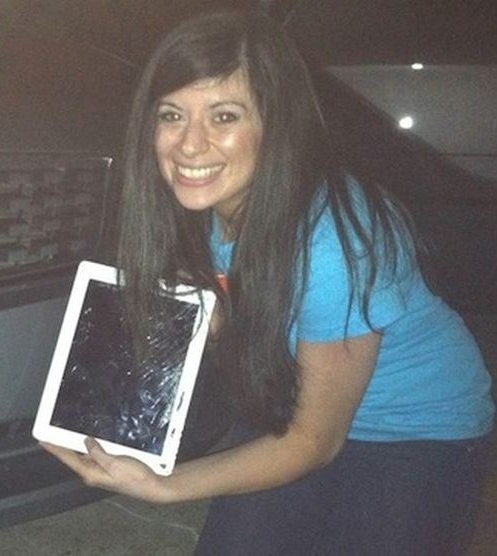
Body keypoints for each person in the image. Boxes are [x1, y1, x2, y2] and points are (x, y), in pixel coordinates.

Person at [42, 9, 495, 555]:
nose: (189, 145)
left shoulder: (331, 240)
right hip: (294, 406)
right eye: (172, 115)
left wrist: (166, 485)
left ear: (276, 125)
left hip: (417, 428)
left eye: (224, 116)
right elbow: (249, 322)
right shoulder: (194, 207)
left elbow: (313, 443)